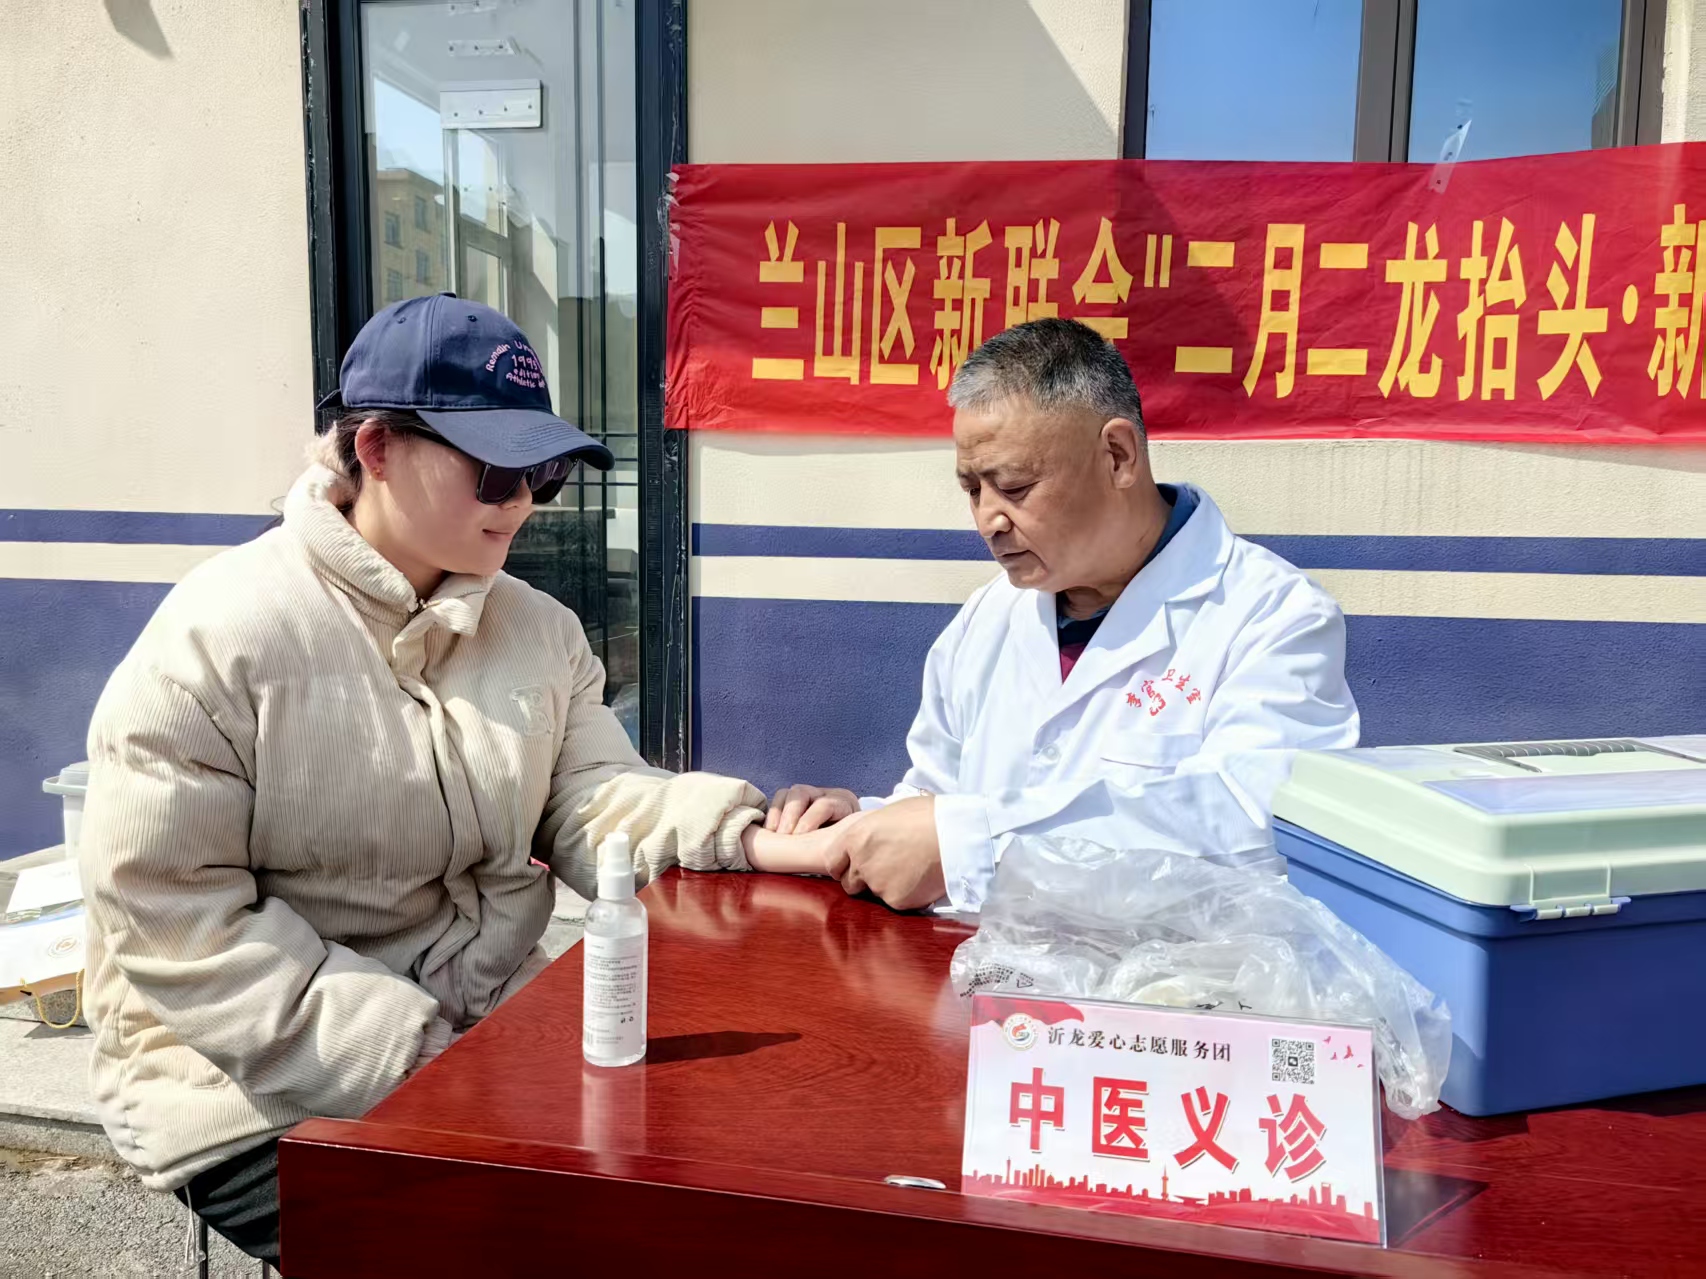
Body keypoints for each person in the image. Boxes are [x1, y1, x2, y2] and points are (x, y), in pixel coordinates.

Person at [76, 294, 803, 1262]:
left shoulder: (537, 628)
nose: (524, 503)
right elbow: (175, 918)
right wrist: (422, 1057)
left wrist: (749, 835)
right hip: (246, 1083)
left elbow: (590, 797)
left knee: (696, 1198)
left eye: (544, 473)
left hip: (487, 1045)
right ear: (375, 447)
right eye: (496, 472)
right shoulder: (221, 635)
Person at [764, 317, 1360, 912]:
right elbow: (937, 801)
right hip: (975, 963)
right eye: (973, 490)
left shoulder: (1271, 616)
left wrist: (973, 844)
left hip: (1169, 968)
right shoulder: (990, 616)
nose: (989, 521)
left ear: (1117, 456)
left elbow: (1255, 828)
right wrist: (858, 824)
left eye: (1014, 486)